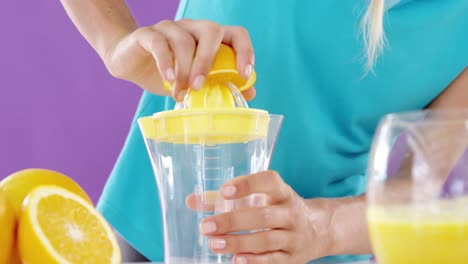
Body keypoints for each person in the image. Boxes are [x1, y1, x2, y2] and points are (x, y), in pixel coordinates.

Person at [59, 0, 468, 263]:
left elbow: (417, 185)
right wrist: (116, 45)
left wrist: (321, 228)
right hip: (151, 237)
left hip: (314, 254)